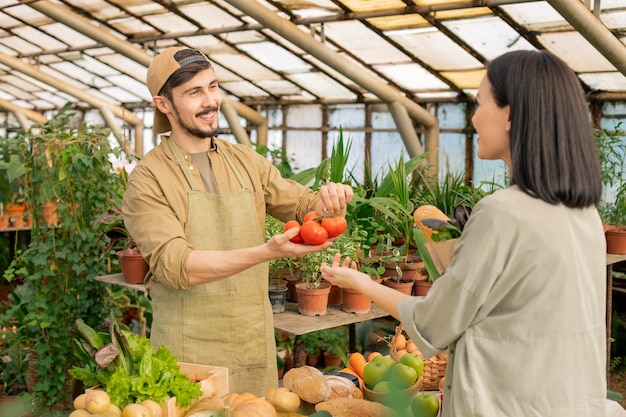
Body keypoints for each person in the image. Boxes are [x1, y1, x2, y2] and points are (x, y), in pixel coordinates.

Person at [320, 50, 607, 416]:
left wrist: (358, 281)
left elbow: (433, 324)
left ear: (511, 114)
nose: (473, 118)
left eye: (480, 102)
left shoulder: (502, 213)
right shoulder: (584, 213)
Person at [122, 47, 353, 396]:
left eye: (213, 87)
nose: (210, 101)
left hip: (251, 343)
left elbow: (303, 205)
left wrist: (330, 200)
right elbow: (177, 266)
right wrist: (265, 252)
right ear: (163, 105)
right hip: (188, 352)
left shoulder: (244, 159)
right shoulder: (149, 178)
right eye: (194, 92)